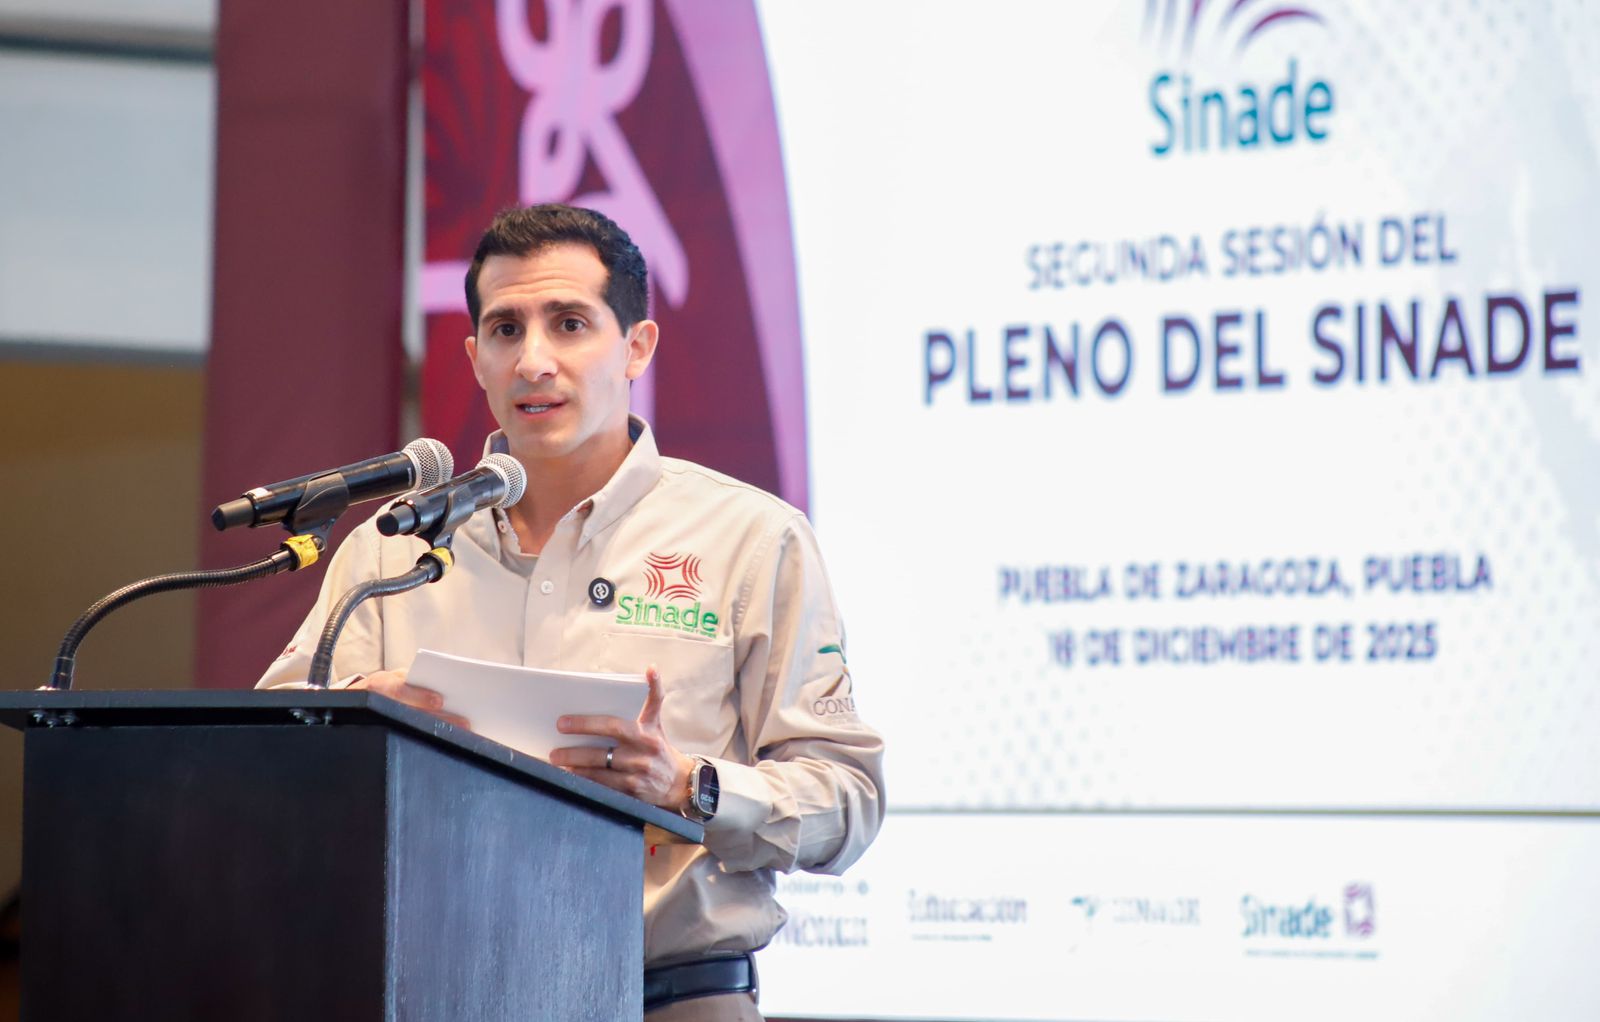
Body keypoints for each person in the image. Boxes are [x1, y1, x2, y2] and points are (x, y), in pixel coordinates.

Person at [258, 204, 885, 1021]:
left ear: (637, 347)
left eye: (570, 324)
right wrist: (356, 715)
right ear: (475, 359)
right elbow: (267, 751)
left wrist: (689, 787)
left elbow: (848, 799)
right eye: (505, 329)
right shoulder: (390, 546)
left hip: (670, 996)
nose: (534, 360)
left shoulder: (752, 539)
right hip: (429, 992)